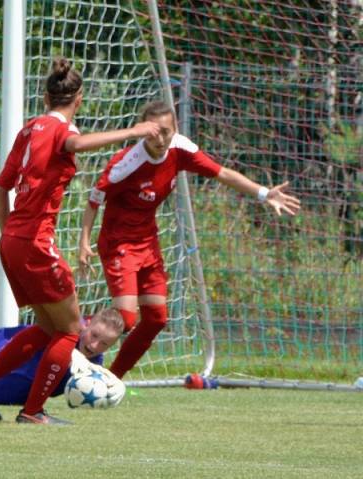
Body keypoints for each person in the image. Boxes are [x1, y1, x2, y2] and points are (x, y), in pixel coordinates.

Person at [0, 57, 161, 425]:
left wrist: (10, 232)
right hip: (36, 243)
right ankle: (33, 411)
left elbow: (1, 188)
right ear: (78, 99)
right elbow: (76, 143)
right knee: (70, 330)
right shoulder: (59, 130)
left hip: (13, 240)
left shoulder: (28, 130)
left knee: (46, 330)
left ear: (45, 96)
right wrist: (134, 130)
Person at [78, 100, 301, 380]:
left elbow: (223, 173)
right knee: (127, 318)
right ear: (142, 130)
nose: (160, 139)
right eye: (153, 132)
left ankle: (111, 379)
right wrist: (84, 242)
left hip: (148, 242)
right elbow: (94, 200)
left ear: (176, 128)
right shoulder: (127, 164)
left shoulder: (181, 149)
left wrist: (265, 194)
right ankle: (71, 336)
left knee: (156, 319)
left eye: (166, 131)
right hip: (118, 243)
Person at [0, 307, 123, 406]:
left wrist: (113, 390)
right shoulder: (65, 325)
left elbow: (85, 394)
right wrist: (71, 352)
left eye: (104, 344)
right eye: (94, 335)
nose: (94, 345)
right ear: (87, 323)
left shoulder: (90, 371)